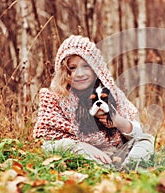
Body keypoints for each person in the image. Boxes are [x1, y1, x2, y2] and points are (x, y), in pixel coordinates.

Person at [33, 35, 154, 168]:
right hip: (83, 152)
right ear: (63, 71)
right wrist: (83, 146)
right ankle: (101, 169)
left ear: (95, 67)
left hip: (117, 152)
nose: (80, 74)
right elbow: (47, 142)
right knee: (62, 145)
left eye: (86, 66)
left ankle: (130, 167)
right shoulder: (54, 97)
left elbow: (137, 131)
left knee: (146, 140)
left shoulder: (110, 92)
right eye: (72, 68)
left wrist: (118, 121)